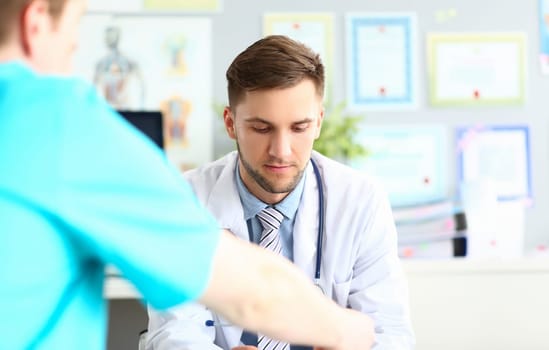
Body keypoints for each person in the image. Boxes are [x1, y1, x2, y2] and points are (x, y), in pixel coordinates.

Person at [0, 1, 376, 349]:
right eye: (73, 28)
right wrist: (349, 329)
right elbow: (255, 295)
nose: (73, 48)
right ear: (35, 23)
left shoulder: (358, 197)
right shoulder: (54, 124)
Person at [146, 35, 415, 349]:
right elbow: (174, 333)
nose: (281, 151)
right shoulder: (185, 202)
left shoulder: (360, 201)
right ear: (231, 124)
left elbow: (391, 334)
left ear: (318, 123)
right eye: (262, 128)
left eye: (299, 127)